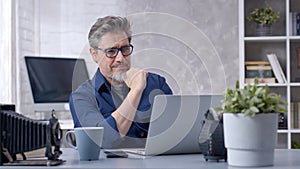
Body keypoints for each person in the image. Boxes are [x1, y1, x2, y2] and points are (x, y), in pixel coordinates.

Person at [69, 16, 173, 149]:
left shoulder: (156, 83)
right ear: (94, 54)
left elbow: (175, 133)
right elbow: (103, 140)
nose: (120, 58)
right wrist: (136, 91)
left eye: (125, 49)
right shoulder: (82, 97)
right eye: (111, 51)